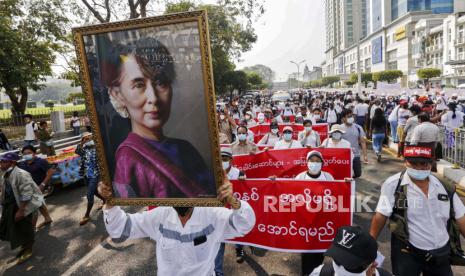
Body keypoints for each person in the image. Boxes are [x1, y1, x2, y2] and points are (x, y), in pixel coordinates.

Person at [101, 36, 215, 199]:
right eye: (139, 85)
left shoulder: (185, 149)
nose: (153, 97)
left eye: (160, 82)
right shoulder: (129, 160)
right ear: (118, 94)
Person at [98, 177, 255, 276]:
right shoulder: (160, 215)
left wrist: (233, 201)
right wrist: (109, 202)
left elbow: (245, 224)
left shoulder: (212, 214)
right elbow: (120, 229)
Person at [369, 145, 465, 276]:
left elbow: (461, 218)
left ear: (432, 162)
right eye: (413, 163)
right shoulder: (393, 185)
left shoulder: (444, 186)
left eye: (424, 163)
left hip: (441, 252)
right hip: (407, 252)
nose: (419, 168)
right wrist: (369, 244)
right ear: (405, 161)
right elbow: (381, 214)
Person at [0, 152, 43, 264]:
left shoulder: (21, 174)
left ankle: (28, 250)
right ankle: (24, 246)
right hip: (11, 205)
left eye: (3, 162)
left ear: (12, 163)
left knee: (25, 228)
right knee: (15, 228)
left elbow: (26, 194)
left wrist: (21, 210)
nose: (1, 164)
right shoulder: (5, 173)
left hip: (22, 205)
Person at [214, 147, 246, 275]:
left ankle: (239, 249)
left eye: (225, 159)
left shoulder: (239, 174)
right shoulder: (213, 174)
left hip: (234, 213)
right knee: (219, 242)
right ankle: (218, 272)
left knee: (237, 235)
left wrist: (243, 181)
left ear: (231, 160)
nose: (223, 161)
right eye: (221, 159)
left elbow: (248, 191)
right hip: (219, 214)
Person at [310, 226, 392, 276]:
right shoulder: (320, 273)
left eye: (350, 268)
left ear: (373, 266)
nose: (341, 267)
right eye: (337, 259)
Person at [18, 146, 53, 229]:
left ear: (34, 153)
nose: (27, 155)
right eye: (24, 154)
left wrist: (43, 184)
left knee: (33, 207)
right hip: (28, 188)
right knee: (39, 202)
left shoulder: (41, 162)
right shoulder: (22, 164)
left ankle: (32, 228)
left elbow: (50, 172)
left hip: (40, 186)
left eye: (29, 153)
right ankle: (47, 218)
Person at [75, 133, 106, 225]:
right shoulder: (84, 148)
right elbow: (77, 151)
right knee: (95, 191)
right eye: (86, 139)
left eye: (89, 138)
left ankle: (87, 215)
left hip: (95, 175)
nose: (88, 140)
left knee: (89, 194)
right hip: (86, 175)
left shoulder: (98, 149)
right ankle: (105, 200)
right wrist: (81, 143)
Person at [340, 109, 368, 179]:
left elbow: (363, 142)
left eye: (351, 116)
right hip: (344, 156)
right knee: (345, 174)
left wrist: (365, 155)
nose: (351, 118)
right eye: (348, 116)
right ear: (343, 119)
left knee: (358, 173)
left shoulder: (358, 127)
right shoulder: (339, 128)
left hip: (356, 155)